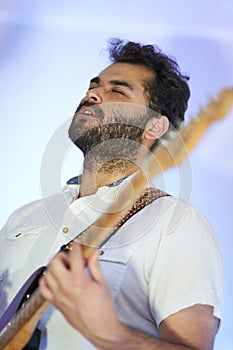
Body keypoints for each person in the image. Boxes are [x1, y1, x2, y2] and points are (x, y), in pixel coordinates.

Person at [0, 39, 223, 350]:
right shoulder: (22, 216)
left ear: (155, 127)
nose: (91, 95)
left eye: (117, 91)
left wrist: (112, 335)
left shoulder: (176, 222)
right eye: (94, 86)